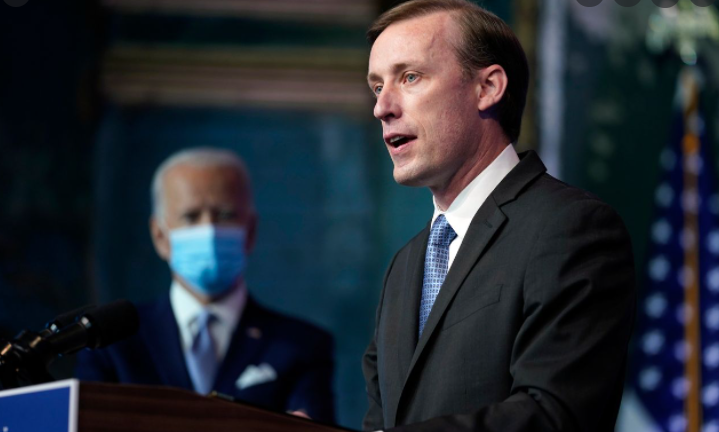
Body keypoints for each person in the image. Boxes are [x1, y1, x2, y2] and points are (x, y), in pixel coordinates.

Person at [362, 1, 635, 431]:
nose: (382, 107)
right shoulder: (404, 266)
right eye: (378, 86)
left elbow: (553, 414)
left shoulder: (571, 229)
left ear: (488, 87)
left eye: (410, 77)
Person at [75, 147, 335, 422]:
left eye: (225, 215)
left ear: (250, 231)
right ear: (160, 236)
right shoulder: (111, 344)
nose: (209, 230)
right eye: (191, 217)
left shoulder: (301, 346)